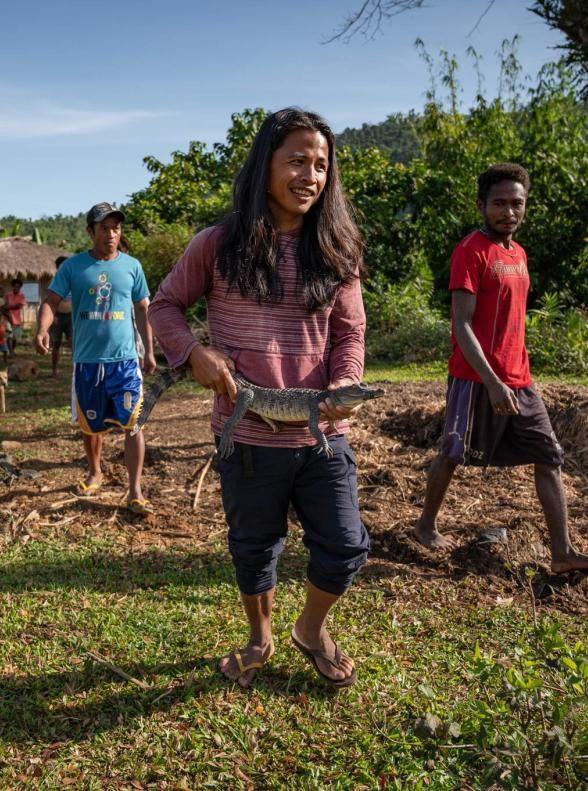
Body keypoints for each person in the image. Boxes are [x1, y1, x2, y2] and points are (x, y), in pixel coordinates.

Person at [150, 109, 369, 689]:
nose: (310, 175)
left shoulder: (339, 250)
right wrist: (195, 354)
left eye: (321, 165)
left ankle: (310, 628)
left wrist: (345, 385)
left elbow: (349, 332)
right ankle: (259, 638)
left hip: (323, 435)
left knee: (346, 546)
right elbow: (163, 307)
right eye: (296, 160)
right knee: (254, 548)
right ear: (265, 166)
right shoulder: (218, 245)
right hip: (247, 437)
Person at [409, 163, 588, 576]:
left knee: (549, 455)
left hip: (520, 379)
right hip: (474, 377)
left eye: (517, 204)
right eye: (499, 203)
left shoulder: (518, 254)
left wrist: (511, 377)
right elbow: (461, 325)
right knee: (452, 453)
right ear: (482, 205)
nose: (508, 212)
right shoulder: (470, 251)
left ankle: (562, 552)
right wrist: (491, 380)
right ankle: (425, 526)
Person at [36, 202, 157, 514]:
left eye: (116, 228)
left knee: (134, 424)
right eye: (104, 228)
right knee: (91, 426)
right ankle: (95, 472)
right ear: (91, 231)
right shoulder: (74, 267)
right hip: (88, 363)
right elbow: (51, 301)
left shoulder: (132, 266)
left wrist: (150, 350)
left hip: (126, 361)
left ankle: (135, 490)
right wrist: (42, 330)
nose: (111, 233)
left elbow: (143, 309)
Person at [49, 255, 74, 376]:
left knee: (74, 343)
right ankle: (54, 370)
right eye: (62, 266)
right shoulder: (54, 281)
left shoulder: (75, 280)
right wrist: (52, 316)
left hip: (72, 317)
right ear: (58, 268)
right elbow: (50, 301)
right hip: (58, 316)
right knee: (56, 344)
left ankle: (76, 369)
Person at [3, 278, 27, 356]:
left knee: (15, 337)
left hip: (17, 319)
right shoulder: (8, 295)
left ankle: (12, 350)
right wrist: (9, 308)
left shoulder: (22, 296)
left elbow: (19, 306)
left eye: (18, 287)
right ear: (12, 286)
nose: (16, 288)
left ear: (20, 287)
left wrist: (9, 307)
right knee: (9, 335)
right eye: (15, 286)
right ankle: (10, 351)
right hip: (8, 317)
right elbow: (4, 306)